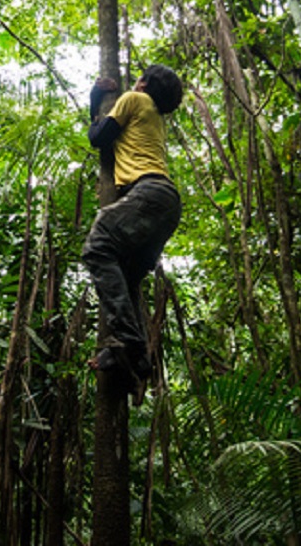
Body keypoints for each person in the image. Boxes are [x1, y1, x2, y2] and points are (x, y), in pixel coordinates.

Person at [82, 64, 184, 385]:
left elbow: (99, 137)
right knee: (124, 283)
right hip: (165, 206)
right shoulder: (154, 117)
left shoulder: (133, 100)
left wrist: (96, 95)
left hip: (148, 193)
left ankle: (132, 342)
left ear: (142, 85)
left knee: (98, 247)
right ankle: (132, 360)